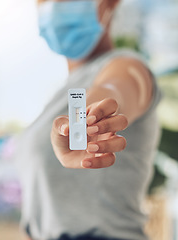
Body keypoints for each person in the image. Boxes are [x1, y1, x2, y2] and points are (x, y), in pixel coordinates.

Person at [14, 0, 162, 239]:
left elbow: (115, 87)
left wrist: (89, 114)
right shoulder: (59, 95)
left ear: (108, 4)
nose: (53, 7)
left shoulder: (127, 65)